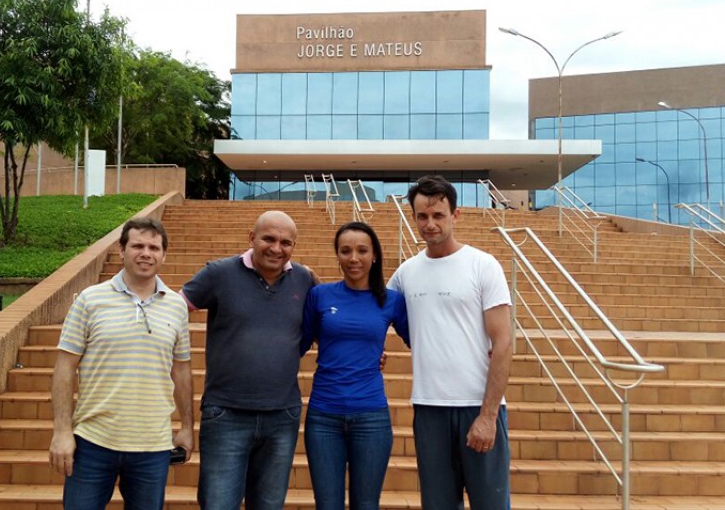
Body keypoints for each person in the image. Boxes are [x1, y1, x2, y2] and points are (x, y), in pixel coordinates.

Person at [48, 217, 193, 510]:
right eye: (137, 245)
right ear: (121, 250)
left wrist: (188, 426)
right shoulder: (90, 300)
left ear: (164, 254)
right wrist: (62, 430)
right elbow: (64, 367)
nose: (146, 253)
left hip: (152, 445)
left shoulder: (176, 306)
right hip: (93, 442)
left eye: (154, 247)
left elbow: (182, 369)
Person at [387, 175, 513, 510]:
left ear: (455, 215)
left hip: (477, 405)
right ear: (413, 217)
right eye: (422, 216)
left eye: (438, 215)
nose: (430, 224)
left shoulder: (482, 265)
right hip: (429, 408)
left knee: (491, 503)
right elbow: (374, 315)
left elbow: (503, 342)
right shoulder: (405, 273)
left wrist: (487, 416)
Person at [180, 210, 317, 510]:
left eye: (286, 242)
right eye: (268, 238)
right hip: (226, 414)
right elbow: (173, 310)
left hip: (283, 416)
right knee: (218, 504)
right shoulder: (218, 273)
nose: (276, 248)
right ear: (251, 238)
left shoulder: (305, 279)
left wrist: (369, 353)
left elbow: (328, 326)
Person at [301, 221, 409, 510]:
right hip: (324, 416)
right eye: (345, 251)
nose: (353, 258)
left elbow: (421, 341)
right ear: (337, 255)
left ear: (374, 255)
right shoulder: (319, 295)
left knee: (366, 504)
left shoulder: (391, 300)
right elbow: (298, 344)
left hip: (371, 417)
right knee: (327, 504)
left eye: (362, 250)